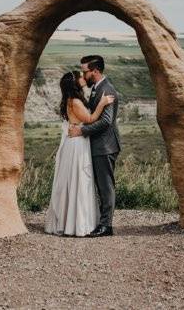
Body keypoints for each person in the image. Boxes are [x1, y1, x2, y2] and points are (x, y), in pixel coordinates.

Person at [44, 70, 115, 237]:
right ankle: (78, 224)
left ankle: (74, 221)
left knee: (76, 181)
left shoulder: (74, 100)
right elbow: (90, 119)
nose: (83, 77)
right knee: (79, 181)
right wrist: (102, 103)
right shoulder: (75, 101)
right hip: (77, 145)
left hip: (77, 142)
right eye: (80, 76)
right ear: (75, 83)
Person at [68, 55, 120, 237]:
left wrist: (82, 131)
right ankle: (101, 222)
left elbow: (106, 122)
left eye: (85, 71)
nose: (83, 75)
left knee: (105, 186)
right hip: (98, 145)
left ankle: (106, 226)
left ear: (95, 71)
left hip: (105, 146)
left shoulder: (107, 89)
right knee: (99, 185)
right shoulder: (97, 88)